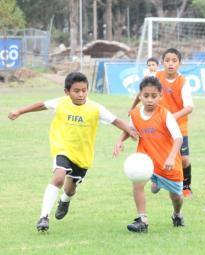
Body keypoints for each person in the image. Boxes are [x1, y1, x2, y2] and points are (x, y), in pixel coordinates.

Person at [8, 72, 138, 232]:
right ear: (67, 92)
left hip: (82, 155)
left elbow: (116, 121)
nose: (81, 94)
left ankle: (65, 200)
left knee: (70, 189)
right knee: (58, 178)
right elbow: (42, 104)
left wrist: (130, 132)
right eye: (77, 91)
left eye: (84, 90)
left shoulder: (95, 108)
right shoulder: (61, 103)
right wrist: (20, 111)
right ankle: (44, 217)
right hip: (62, 148)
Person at [113, 76, 184, 233]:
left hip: (167, 162)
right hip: (144, 160)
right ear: (140, 96)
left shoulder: (165, 115)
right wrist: (120, 141)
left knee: (176, 197)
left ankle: (177, 214)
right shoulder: (135, 114)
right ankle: (142, 220)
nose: (150, 100)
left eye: (154, 96)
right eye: (146, 96)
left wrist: (171, 157)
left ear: (160, 96)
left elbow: (178, 138)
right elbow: (130, 130)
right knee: (137, 184)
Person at [129, 48, 194, 197]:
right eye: (167, 60)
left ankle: (186, 186)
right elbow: (142, 94)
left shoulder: (183, 82)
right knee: (157, 154)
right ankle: (158, 179)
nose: (170, 64)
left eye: (174, 61)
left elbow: (189, 107)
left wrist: (172, 116)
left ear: (180, 63)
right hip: (158, 125)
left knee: (184, 159)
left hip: (179, 126)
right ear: (162, 62)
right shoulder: (155, 77)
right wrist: (132, 107)